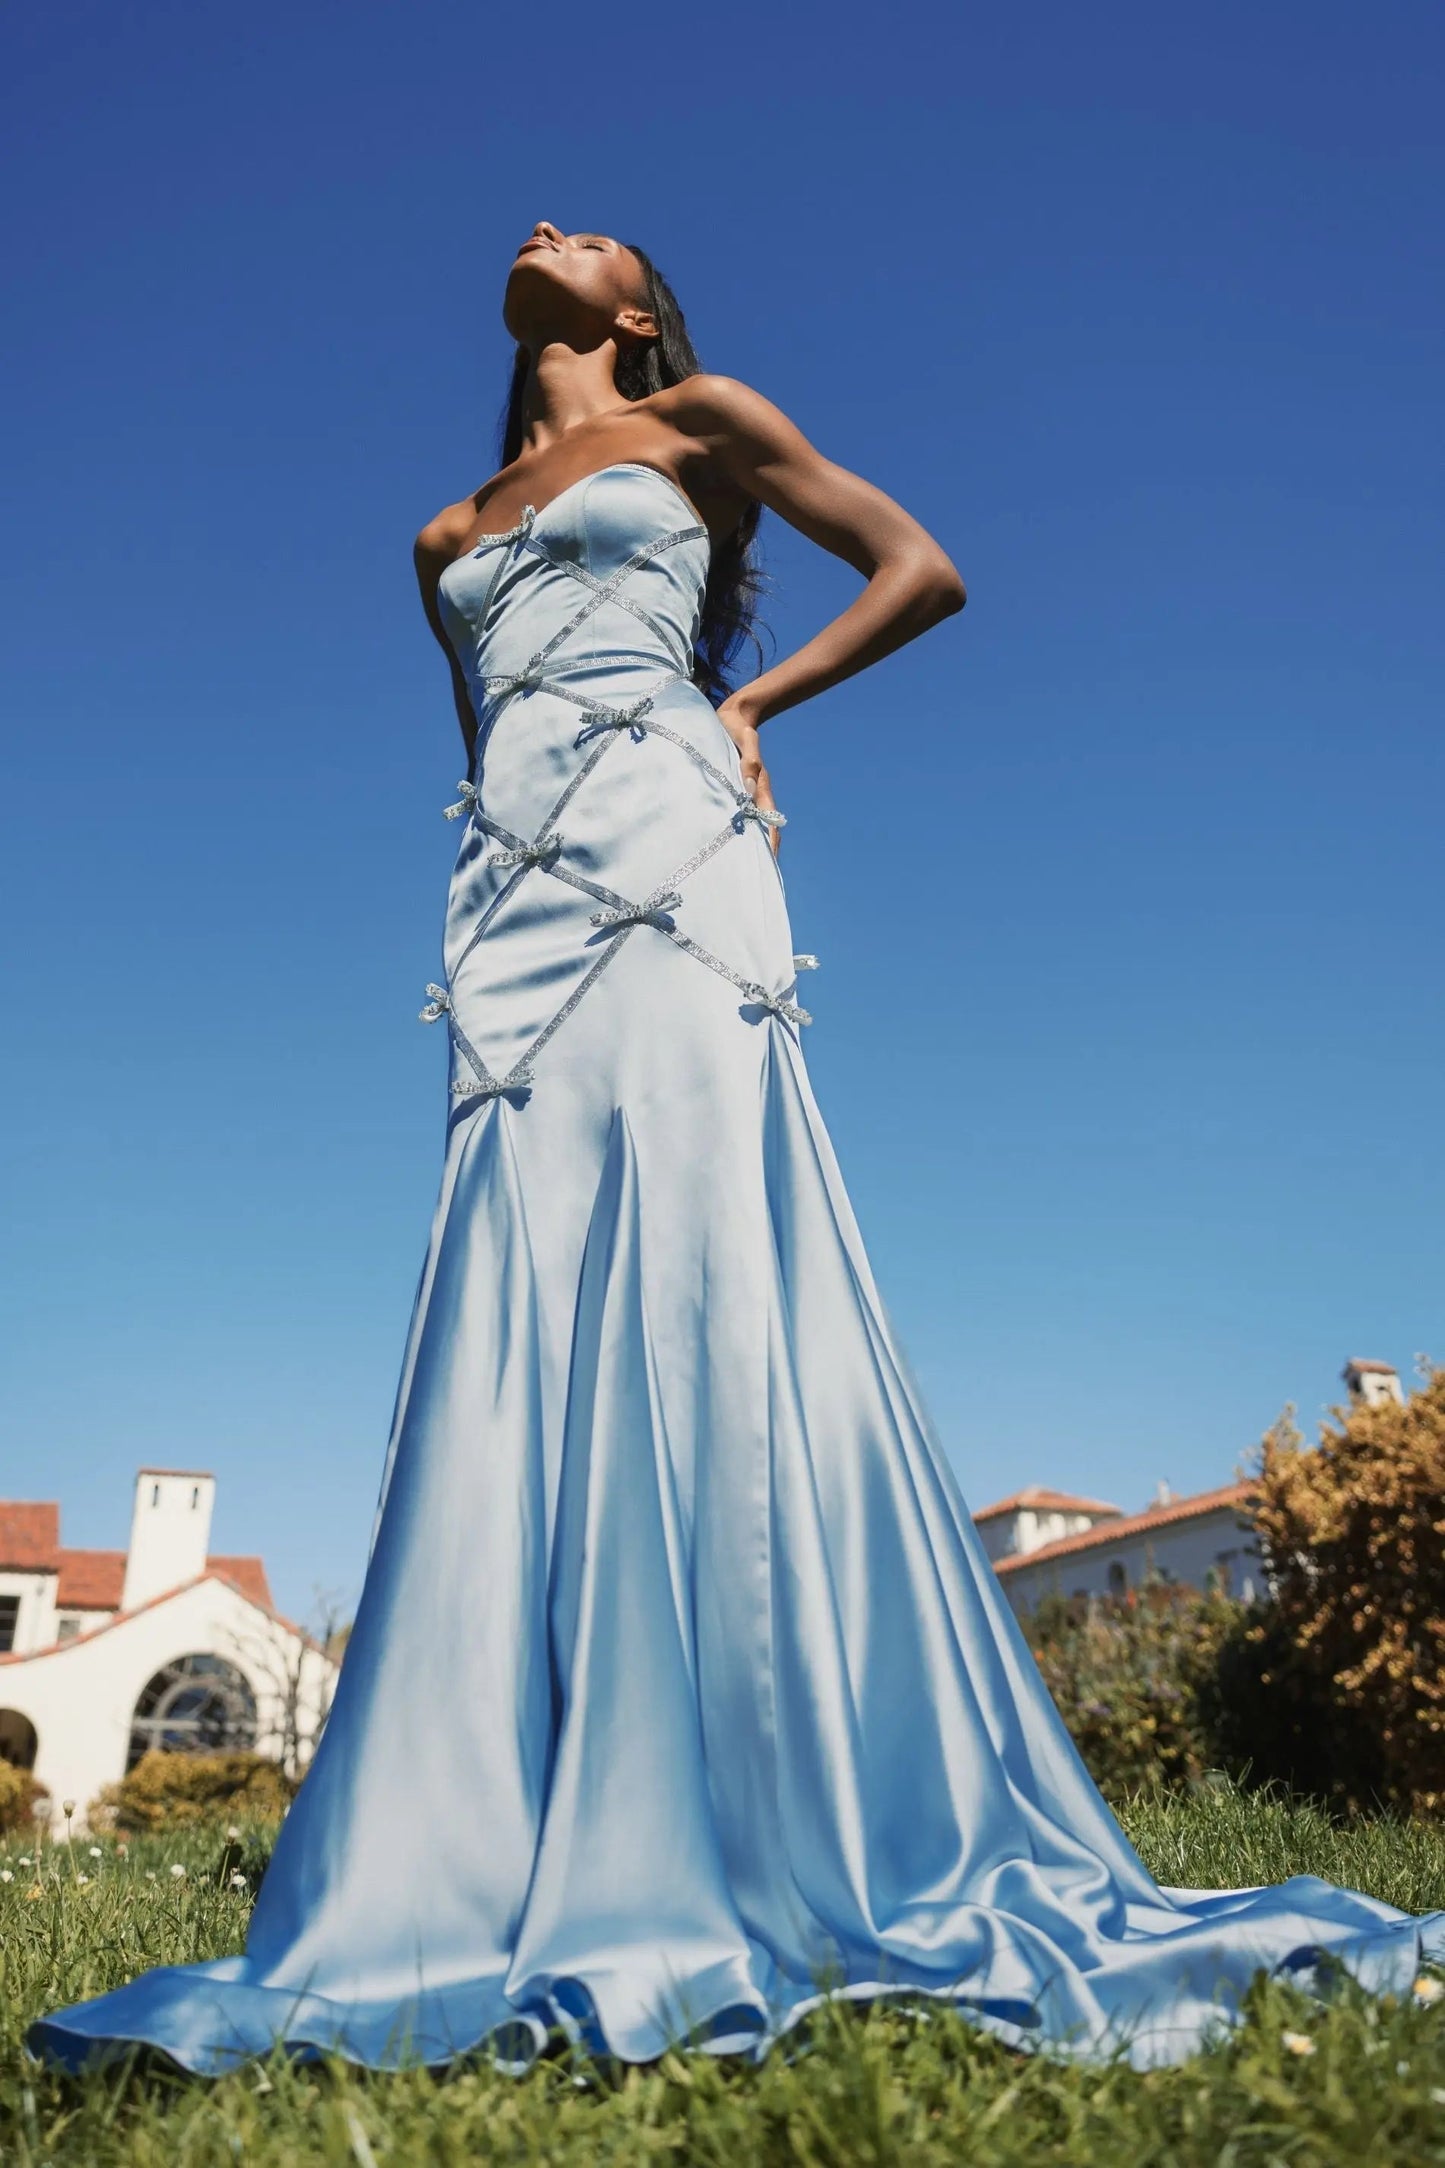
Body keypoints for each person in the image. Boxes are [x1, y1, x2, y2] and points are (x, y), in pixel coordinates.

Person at [29, 223, 1441, 2078]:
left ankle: (775, 1817)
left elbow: (919, 567)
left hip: (682, 879)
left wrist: (747, 705)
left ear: (630, 314)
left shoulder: (695, 418)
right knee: (512, 1302)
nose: (548, 225)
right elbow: (490, 730)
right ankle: (503, 1838)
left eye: (592, 235)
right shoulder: (443, 536)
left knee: (707, 1271)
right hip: (512, 911)